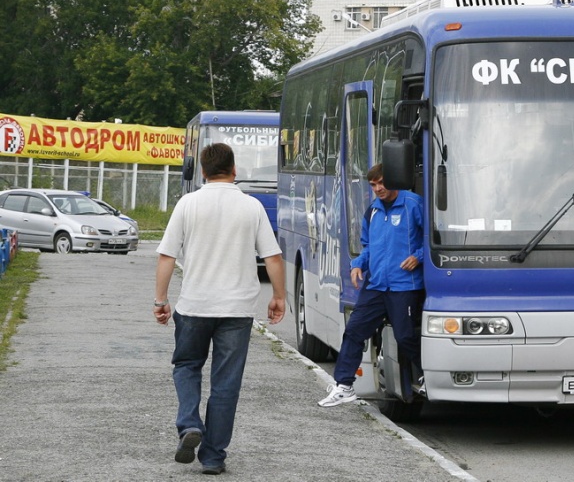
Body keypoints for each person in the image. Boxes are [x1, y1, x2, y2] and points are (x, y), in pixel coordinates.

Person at [153, 143, 286, 475]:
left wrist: (161, 300)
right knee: (226, 383)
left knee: (186, 366)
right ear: (234, 169)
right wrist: (279, 296)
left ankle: (189, 423)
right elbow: (272, 257)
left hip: (195, 305)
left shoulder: (188, 203)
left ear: (202, 171)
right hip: (237, 310)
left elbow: (167, 255)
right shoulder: (252, 206)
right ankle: (213, 457)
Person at [318, 163, 424, 407]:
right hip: (375, 285)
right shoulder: (373, 211)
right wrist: (357, 265)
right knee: (354, 331)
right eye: (373, 185)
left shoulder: (413, 204)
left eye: (382, 183)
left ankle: (428, 375)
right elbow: (368, 247)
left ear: (394, 180)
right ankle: (344, 386)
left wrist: (417, 257)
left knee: (405, 336)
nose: (378, 189)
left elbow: (431, 239)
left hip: (404, 285)